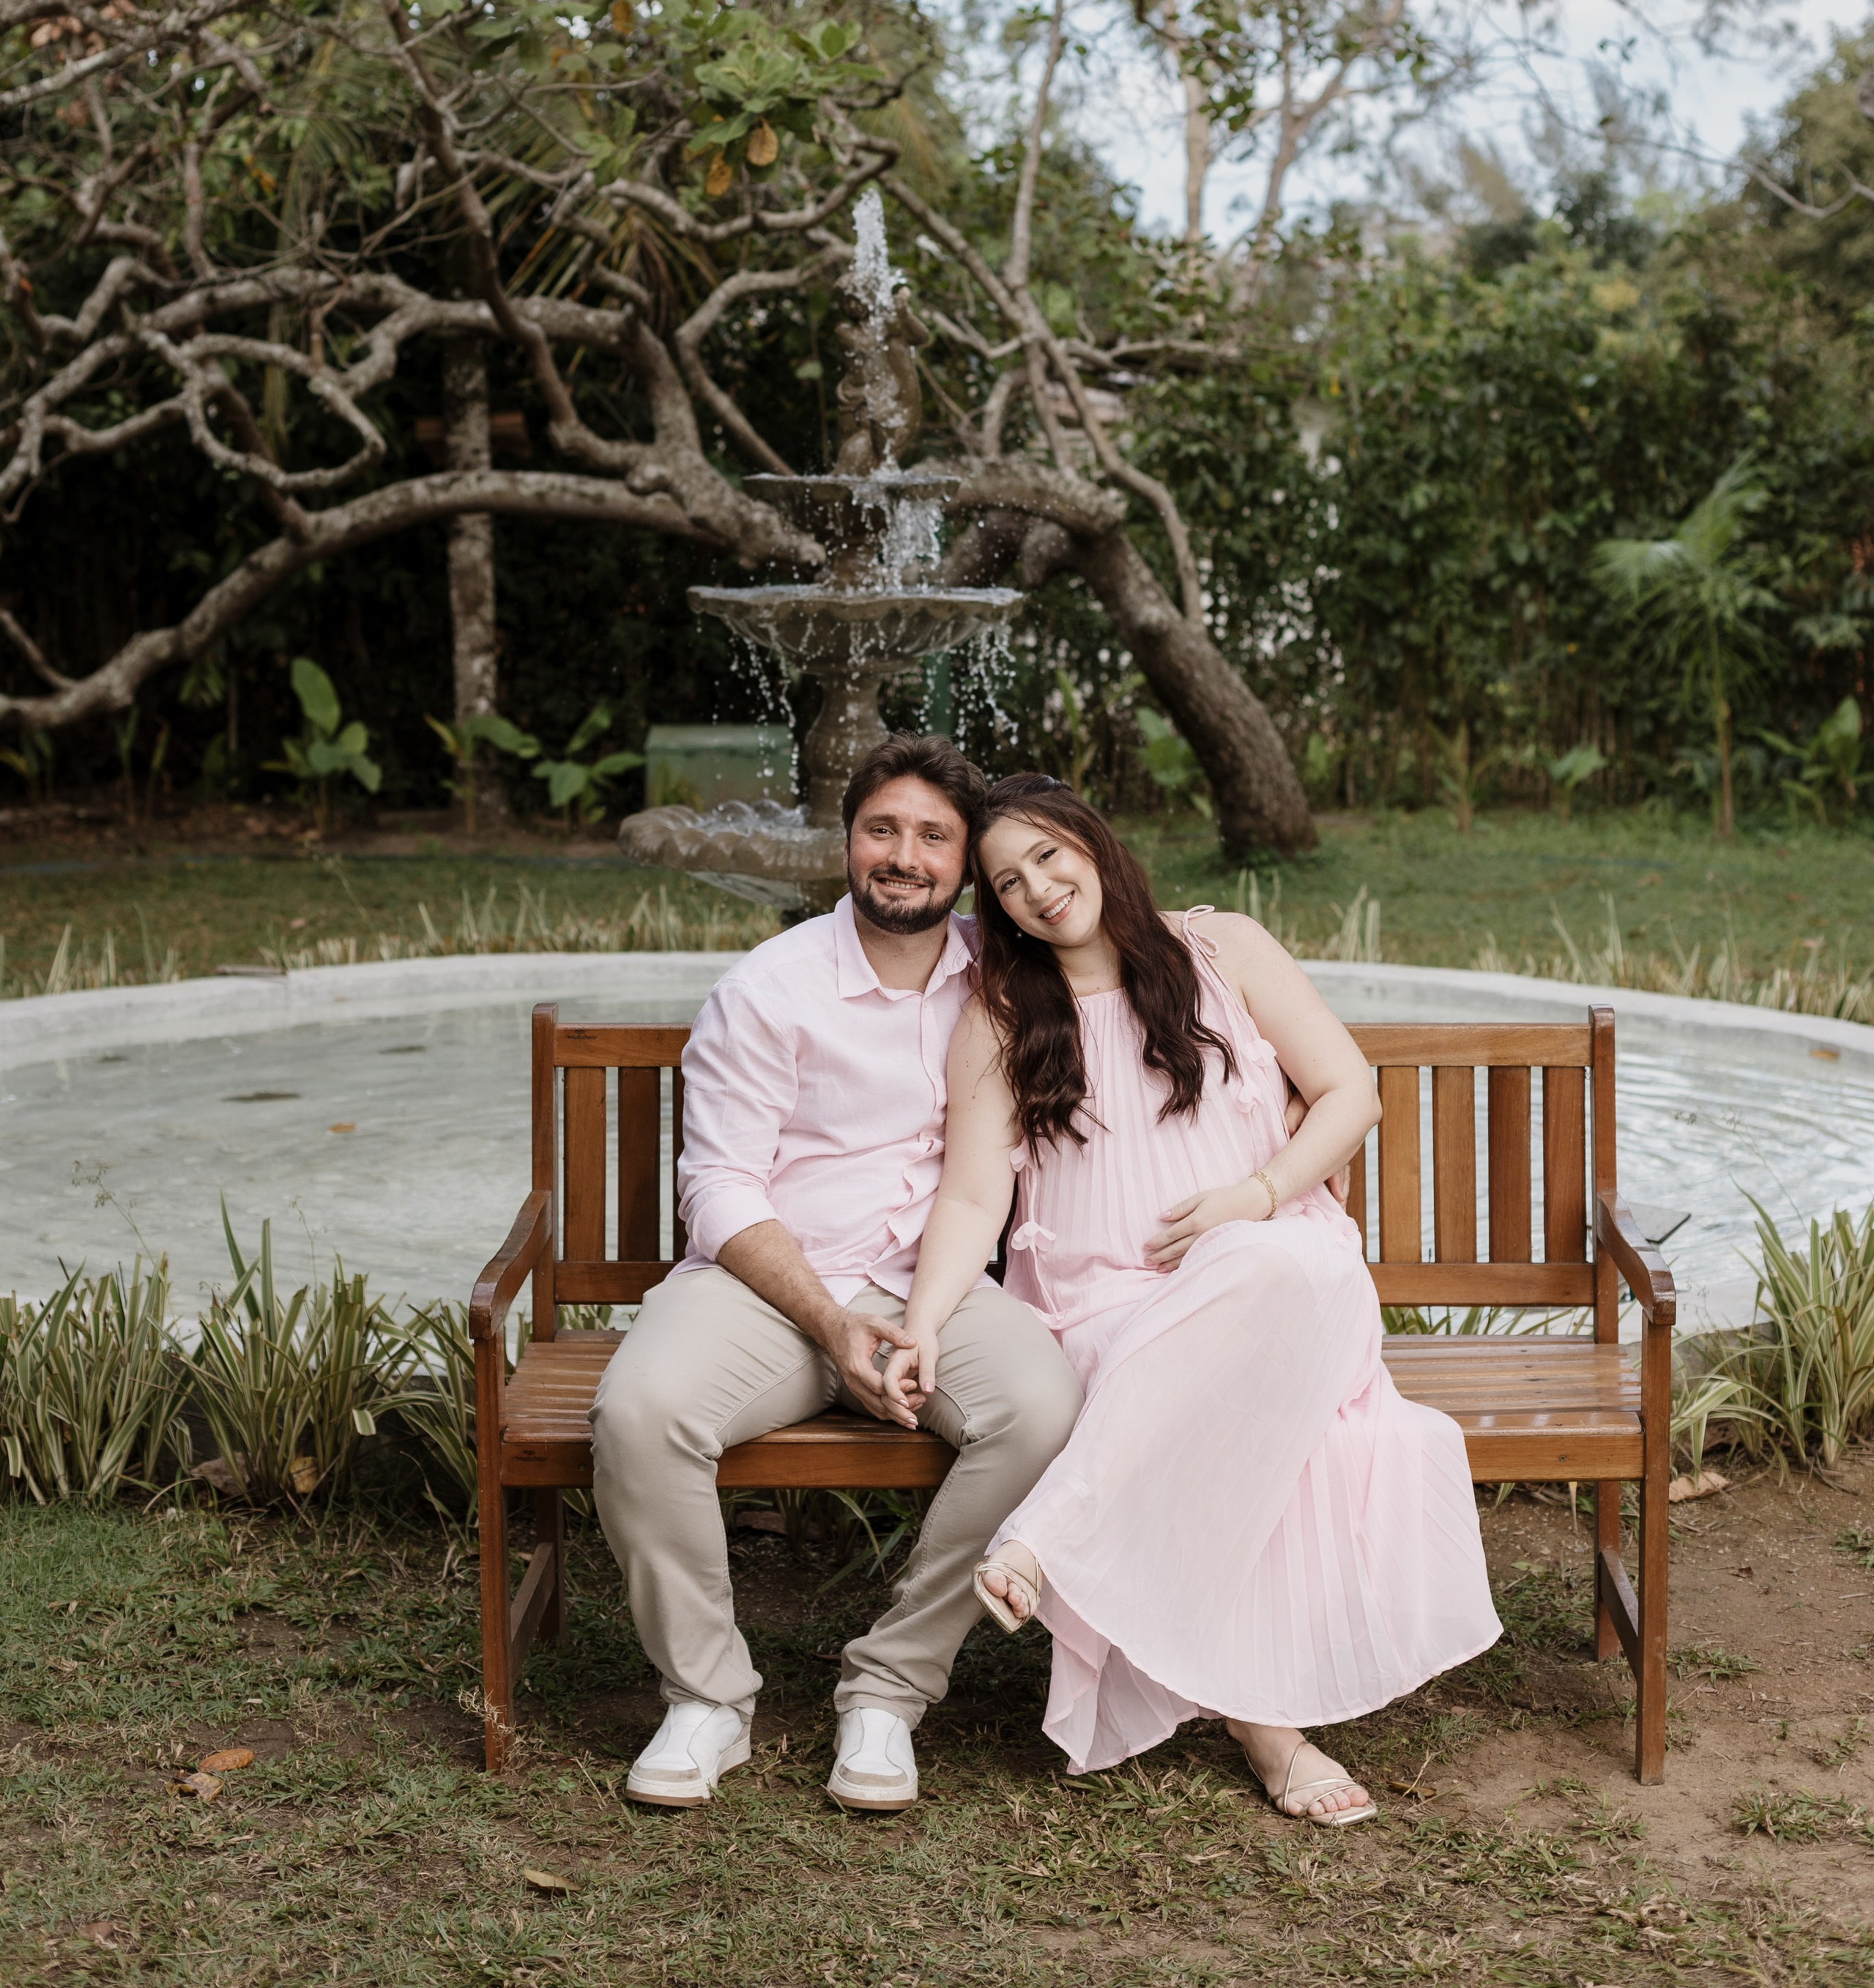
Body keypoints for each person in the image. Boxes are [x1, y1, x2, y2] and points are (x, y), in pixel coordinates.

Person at [887, 773, 1501, 1823]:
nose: (1038, 887)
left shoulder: (1224, 949)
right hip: (1109, 1312)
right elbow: (974, 1193)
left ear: (1093, 838)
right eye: (1008, 880)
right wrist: (922, 1320)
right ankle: (1268, 1729)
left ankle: (1050, 1530)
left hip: (1284, 1276)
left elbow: (1353, 1090)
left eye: (1050, 854)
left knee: (1272, 1265)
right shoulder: (999, 1014)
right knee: (1199, 1389)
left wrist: (1256, 1197)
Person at [590, 735, 1083, 1815]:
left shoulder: (1002, 981)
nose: (903, 855)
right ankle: (707, 1698)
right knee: (640, 1407)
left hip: (931, 1288)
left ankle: (890, 1690)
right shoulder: (771, 986)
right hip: (768, 1286)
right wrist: (828, 1323)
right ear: (848, 843)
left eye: (932, 836)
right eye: (881, 830)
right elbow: (717, 1185)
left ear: (963, 863)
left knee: (1042, 1405)